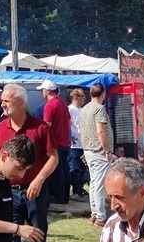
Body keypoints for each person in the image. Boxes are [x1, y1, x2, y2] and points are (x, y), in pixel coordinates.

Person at [0, 83, 58, 242]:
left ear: (20, 102)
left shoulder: (40, 127)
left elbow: (53, 157)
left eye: (6, 101)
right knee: (11, 238)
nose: (2, 104)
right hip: (9, 192)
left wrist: (39, 179)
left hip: (35, 192)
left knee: (37, 237)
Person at [80, 83, 115, 227]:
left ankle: (95, 213)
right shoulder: (99, 109)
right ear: (103, 93)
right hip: (98, 150)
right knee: (99, 184)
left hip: (88, 150)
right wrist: (107, 150)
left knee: (94, 183)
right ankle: (100, 216)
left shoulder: (85, 108)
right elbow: (101, 131)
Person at [38, 80, 72, 204]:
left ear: (47, 91)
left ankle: (58, 197)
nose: (41, 92)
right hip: (65, 142)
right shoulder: (62, 103)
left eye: (42, 90)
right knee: (64, 169)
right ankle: (64, 197)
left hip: (55, 143)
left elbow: (47, 126)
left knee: (56, 171)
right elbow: (68, 121)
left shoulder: (50, 105)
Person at [68, 89, 89, 198]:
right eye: (82, 97)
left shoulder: (83, 110)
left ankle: (80, 188)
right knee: (74, 167)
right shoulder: (70, 110)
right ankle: (76, 189)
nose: (83, 100)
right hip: (74, 144)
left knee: (82, 167)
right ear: (76, 97)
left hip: (83, 143)